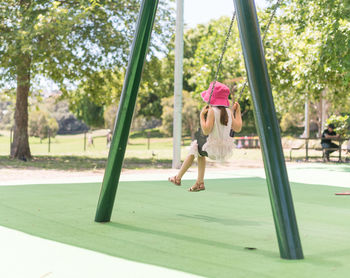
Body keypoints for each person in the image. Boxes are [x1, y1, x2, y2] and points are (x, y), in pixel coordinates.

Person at [168, 81, 242, 191]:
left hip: (212, 150)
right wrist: (238, 111)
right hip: (225, 150)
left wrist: (202, 116)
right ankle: (199, 182)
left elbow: (206, 130)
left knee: (195, 147)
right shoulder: (229, 111)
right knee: (198, 151)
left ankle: (178, 178)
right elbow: (238, 128)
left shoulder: (212, 111)